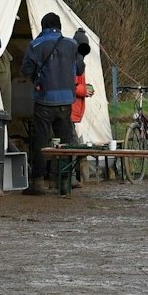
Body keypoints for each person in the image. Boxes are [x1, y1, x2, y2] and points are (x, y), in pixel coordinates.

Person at [21, 13, 84, 194]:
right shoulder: (71, 44)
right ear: (59, 26)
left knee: (41, 140)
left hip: (44, 100)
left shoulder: (36, 45)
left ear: (43, 27)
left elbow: (26, 70)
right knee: (65, 141)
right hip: (66, 101)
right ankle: (64, 182)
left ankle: (38, 182)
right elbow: (79, 69)